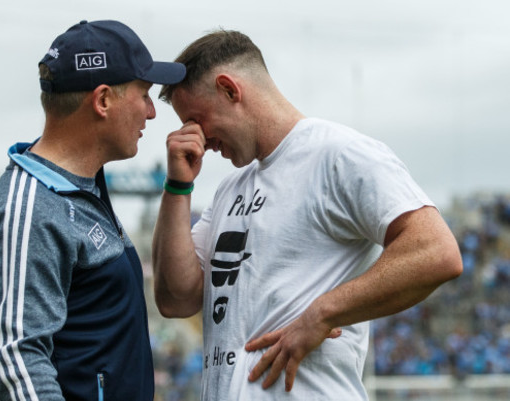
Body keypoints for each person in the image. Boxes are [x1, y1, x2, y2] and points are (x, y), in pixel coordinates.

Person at [151, 29, 463, 400]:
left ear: (230, 90)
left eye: (197, 120)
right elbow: (175, 299)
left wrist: (323, 313)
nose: (194, 136)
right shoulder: (229, 190)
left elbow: (436, 252)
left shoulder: (339, 154)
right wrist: (177, 188)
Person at [0, 20, 185, 400]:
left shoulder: (82, 186)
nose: (152, 113)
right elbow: (19, 363)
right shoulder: (32, 207)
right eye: (144, 95)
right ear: (103, 100)